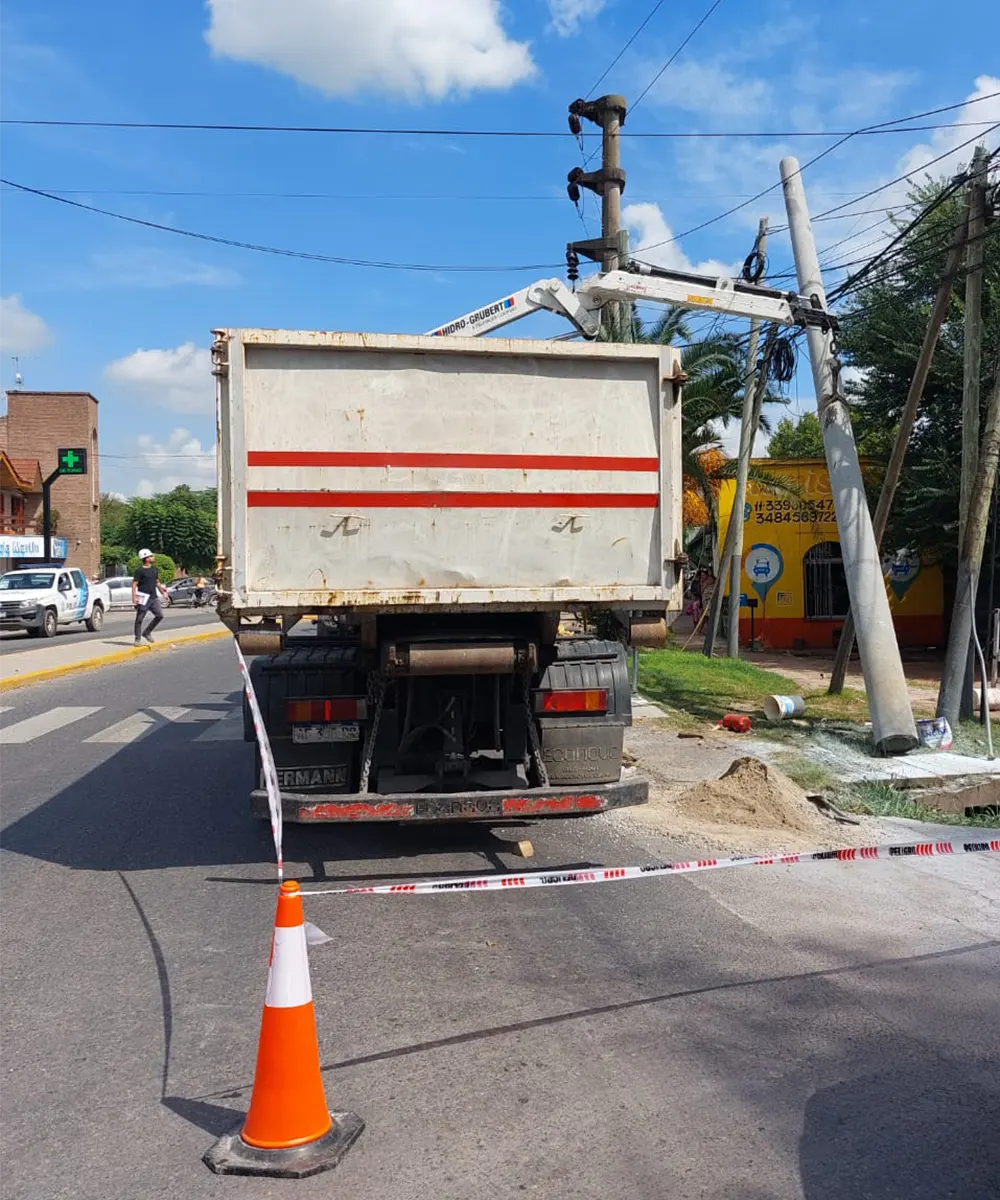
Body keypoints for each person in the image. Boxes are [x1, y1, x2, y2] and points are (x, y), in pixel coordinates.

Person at [132, 549, 169, 646]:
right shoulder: (139, 571)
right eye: (151, 556)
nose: (153, 557)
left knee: (160, 615)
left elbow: (157, 583)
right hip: (143, 597)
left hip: (153, 598)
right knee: (139, 619)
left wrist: (163, 592)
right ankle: (137, 639)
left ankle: (147, 632)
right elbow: (134, 584)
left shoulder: (154, 570)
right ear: (146, 558)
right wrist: (134, 597)